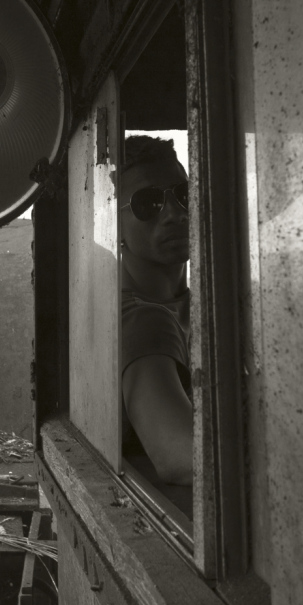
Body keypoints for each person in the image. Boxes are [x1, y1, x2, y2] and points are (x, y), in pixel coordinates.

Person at [119, 135, 193, 487]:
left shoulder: (195, 309)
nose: (175, 214)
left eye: (183, 194)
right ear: (113, 223)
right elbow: (180, 456)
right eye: (148, 203)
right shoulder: (144, 320)